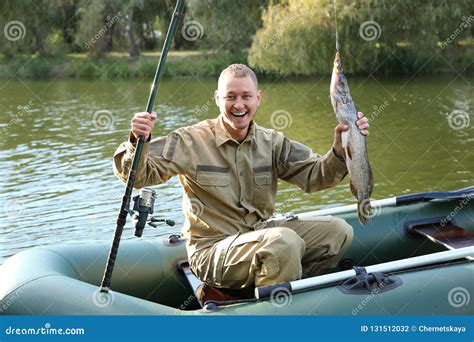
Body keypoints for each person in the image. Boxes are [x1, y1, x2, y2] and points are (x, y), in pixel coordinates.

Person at [113, 64, 369, 300]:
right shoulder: (190, 140)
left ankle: (281, 293)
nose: (239, 105)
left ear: (258, 98)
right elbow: (138, 176)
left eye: (246, 96)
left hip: (259, 232)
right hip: (210, 250)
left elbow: (316, 177)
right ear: (217, 98)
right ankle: (270, 315)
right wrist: (138, 140)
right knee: (283, 242)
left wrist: (338, 152)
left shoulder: (272, 142)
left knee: (338, 232)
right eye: (231, 97)